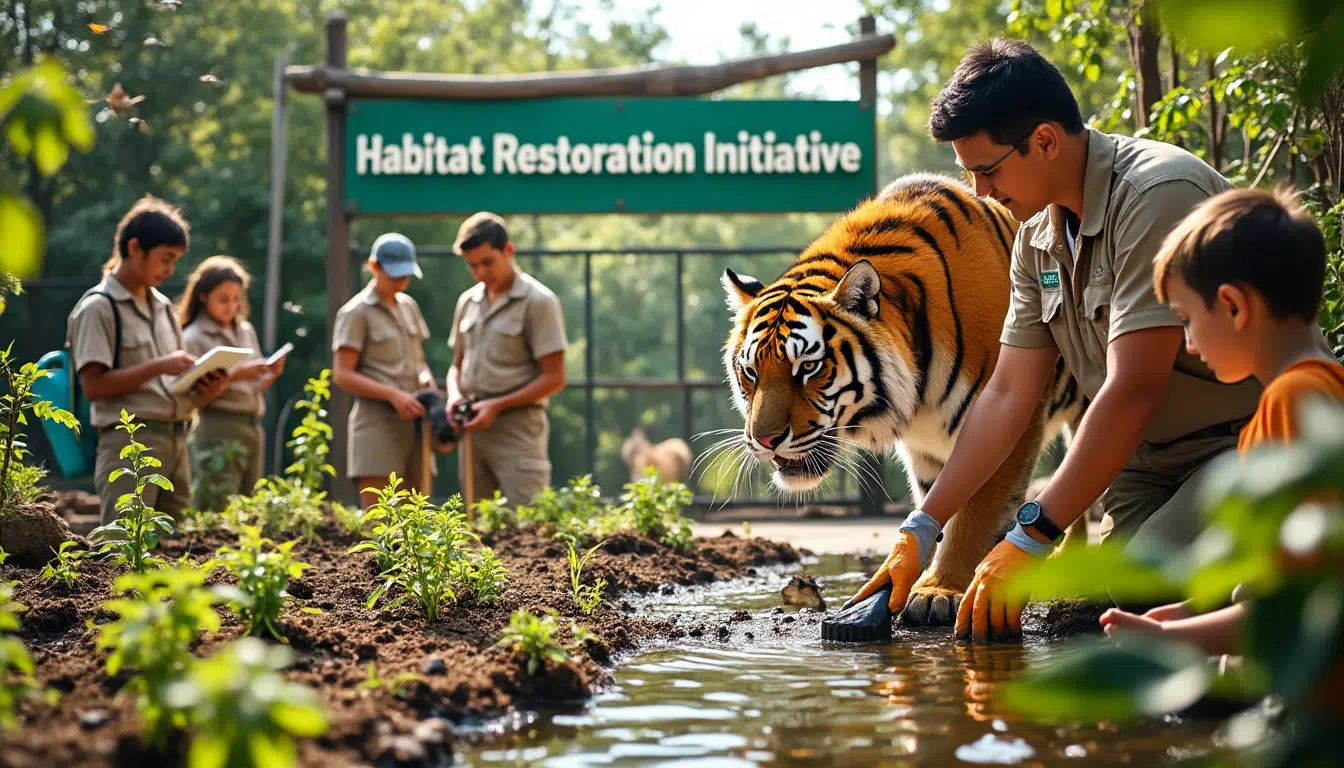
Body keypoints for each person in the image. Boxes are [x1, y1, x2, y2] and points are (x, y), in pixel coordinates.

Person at [847, 38, 1290, 643]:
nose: (980, 192)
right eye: (968, 173)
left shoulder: (1157, 196)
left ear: (1047, 140)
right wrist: (921, 528)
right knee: (1110, 586)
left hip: (1249, 441)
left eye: (989, 169)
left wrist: (1030, 533)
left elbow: (1132, 390)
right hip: (1147, 464)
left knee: (1140, 581)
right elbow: (1007, 393)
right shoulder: (1035, 238)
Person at [1098, 187, 1344, 653]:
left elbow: (1296, 601)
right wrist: (1189, 610)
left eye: (1186, 319)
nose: (1188, 345)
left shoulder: (1295, 401)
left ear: (1233, 306)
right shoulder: (1305, 394)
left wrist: (1171, 636)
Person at [67, 194, 225, 524]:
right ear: (135, 248)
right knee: (125, 549)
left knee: (177, 549)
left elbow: (172, 385)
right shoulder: (99, 307)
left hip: (177, 440)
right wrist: (160, 365)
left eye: (175, 261)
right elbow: (94, 387)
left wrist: (207, 389)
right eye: (165, 258)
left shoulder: (165, 307)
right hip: (130, 446)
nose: (170, 270)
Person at [447, 212, 567, 509]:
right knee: (474, 528)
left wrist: (496, 406)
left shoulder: (539, 301)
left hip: (518, 430)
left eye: (487, 262)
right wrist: (453, 396)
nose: (479, 273)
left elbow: (555, 377)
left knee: (528, 525)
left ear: (508, 250)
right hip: (473, 430)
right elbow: (456, 364)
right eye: (472, 266)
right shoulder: (467, 302)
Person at [332, 233, 436, 509]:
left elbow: (419, 359)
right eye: (395, 275)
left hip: (414, 423)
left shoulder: (409, 307)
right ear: (374, 267)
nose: (402, 282)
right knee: (380, 520)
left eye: (406, 275)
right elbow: (342, 374)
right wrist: (392, 395)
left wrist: (425, 379)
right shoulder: (356, 312)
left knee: (417, 519)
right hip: (376, 424)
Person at [179, 256, 285, 507]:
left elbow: (254, 387)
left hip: (252, 425)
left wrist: (269, 372)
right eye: (223, 299)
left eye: (237, 299)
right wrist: (241, 372)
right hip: (218, 424)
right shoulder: (193, 336)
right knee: (218, 503)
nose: (232, 306)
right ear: (203, 296)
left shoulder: (245, 330)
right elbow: (193, 388)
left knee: (247, 505)